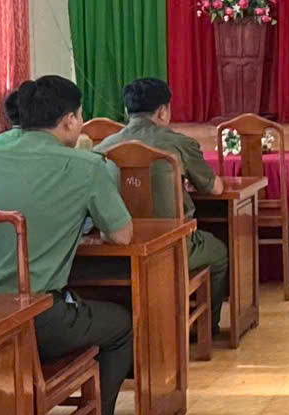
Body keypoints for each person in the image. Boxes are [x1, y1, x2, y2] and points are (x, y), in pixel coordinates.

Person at [0, 75, 136, 415]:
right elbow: (122, 236)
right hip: (36, 318)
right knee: (121, 325)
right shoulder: (86, 166)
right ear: (71, 119)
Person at [95, 77, 230, 324]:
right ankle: (206, 327)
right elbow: (215, 188)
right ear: (163, 111)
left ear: (126, 110)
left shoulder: (103, 148)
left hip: (118, 248)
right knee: (219, 253)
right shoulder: (179, 143)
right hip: (172, 247)